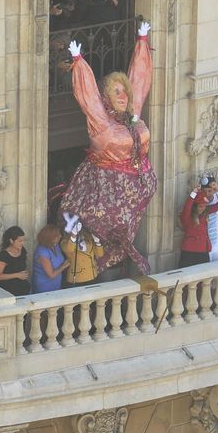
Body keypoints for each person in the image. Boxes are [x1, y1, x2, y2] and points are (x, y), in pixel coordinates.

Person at [60, 21, 157, 274]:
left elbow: (140, 80)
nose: (123, 95)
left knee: (123, 231)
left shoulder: (132, 114)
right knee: (106, 229)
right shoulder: (101, 122)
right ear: (107, 96)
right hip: (107, 186)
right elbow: (87, 95)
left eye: (124, 90)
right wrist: (78, 61)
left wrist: (142, 42)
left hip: (136, 188)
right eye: (116, 91)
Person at [178, 187, 218, 268]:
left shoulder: (205, 213)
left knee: (203, 279)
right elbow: (187, 207)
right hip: (189, 253)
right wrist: (193, 194)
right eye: (201, 206)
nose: (203, 208)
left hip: (203, 251)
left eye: (205, 206)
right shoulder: (187, 217)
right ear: (195, 206)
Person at [61, 214, 106, 287]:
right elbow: (69, 249)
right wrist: (73, 235)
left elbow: (100, 254)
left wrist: (97, 242)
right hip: (78, 277)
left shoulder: (87, 237)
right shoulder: (64, 241)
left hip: (92, 274)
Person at [0, 227, 31, 296]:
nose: (22, 243)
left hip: (23, 290)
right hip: (8, 291)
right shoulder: (4, 255)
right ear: (11, 240)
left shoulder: (22, 251)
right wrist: (17, 275)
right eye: (19, 241)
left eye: (23, 241)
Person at [32, 225, 69, 294]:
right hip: (44, 287)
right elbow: (51, 275)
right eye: (57, 235)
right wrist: (64, 266)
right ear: (50, 238)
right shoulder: (42, 252)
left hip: (56, 284)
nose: (60, 236)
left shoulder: (55, 246)